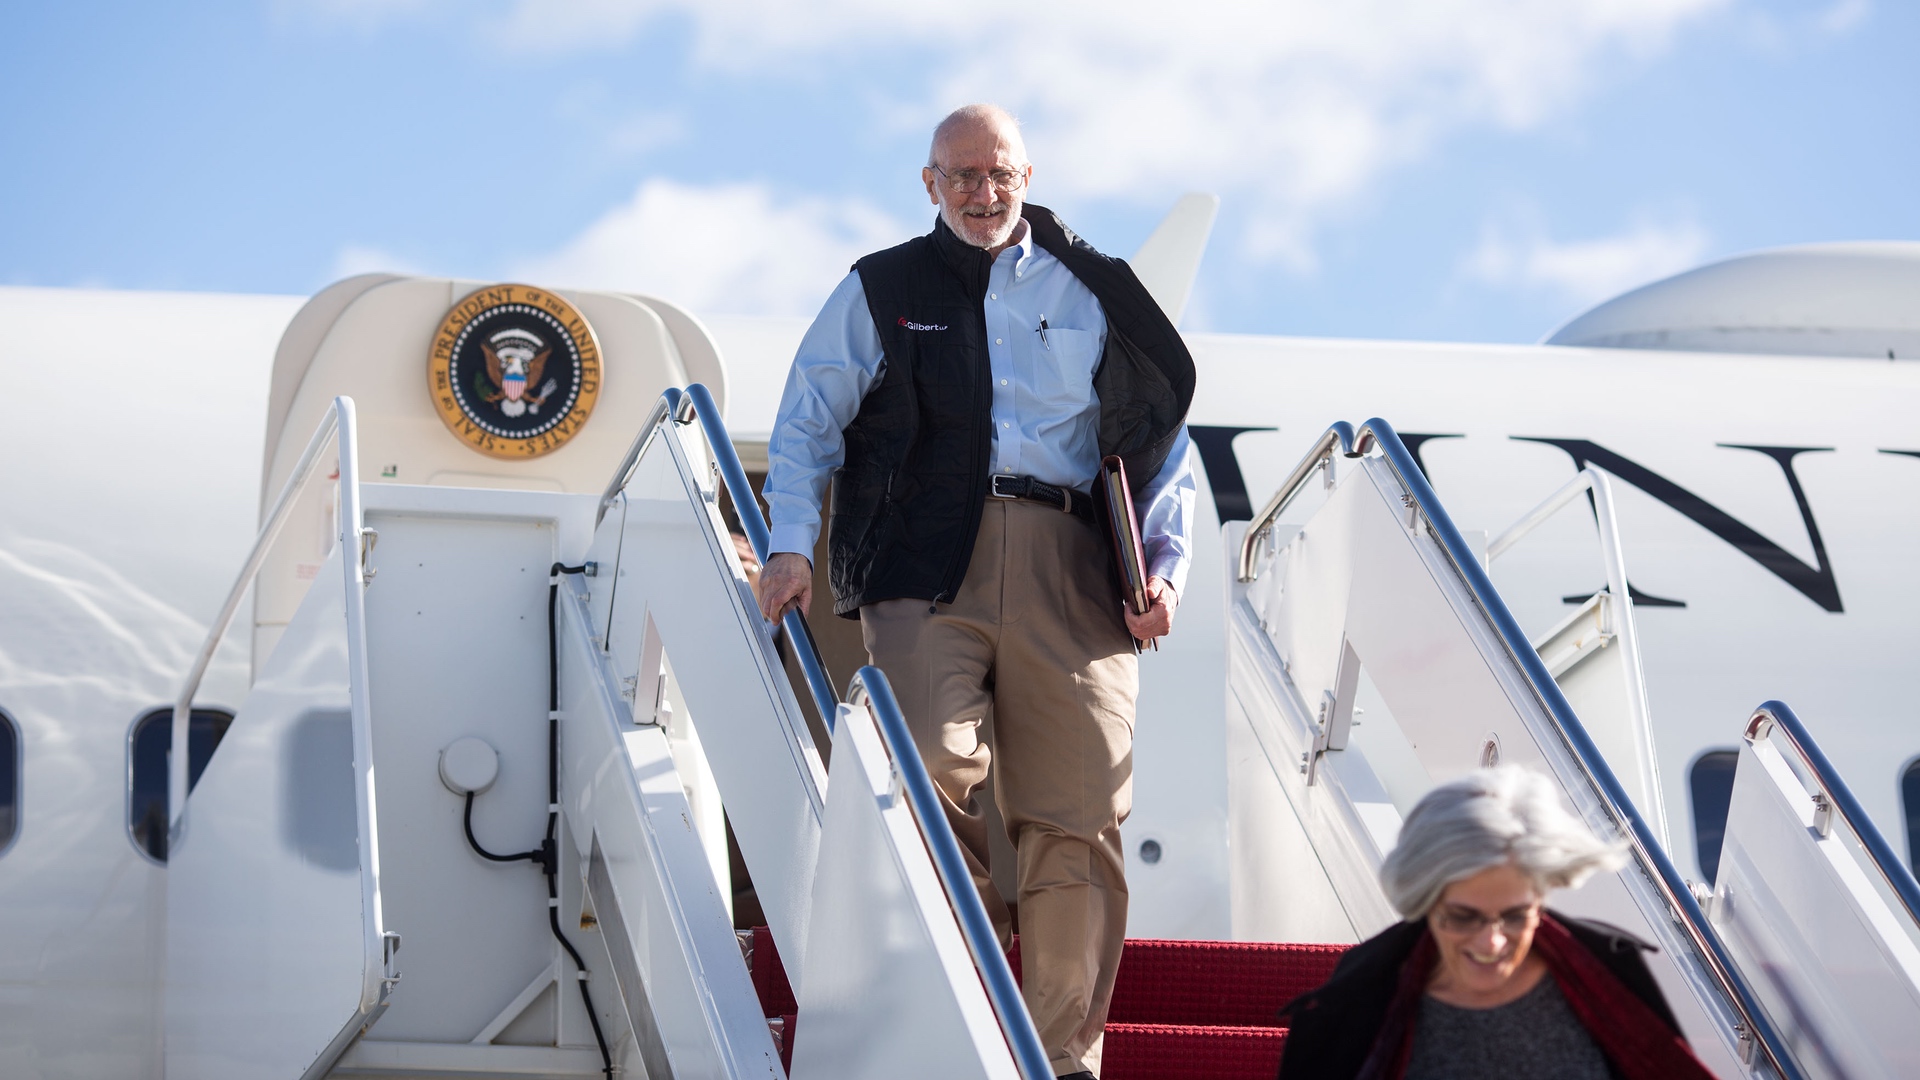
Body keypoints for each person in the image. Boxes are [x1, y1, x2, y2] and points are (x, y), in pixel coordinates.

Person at [756, 103, 1197, 1078]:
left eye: (997, 173)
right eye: (960, 175)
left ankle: (1059, 1057)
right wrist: (789, 544)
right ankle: (941, 1021)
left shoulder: (1098, 291)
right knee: (928, 777)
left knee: (1079, 813)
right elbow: (805, 424)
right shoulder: (882, 287)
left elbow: (1163, 449)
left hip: (1075, 569)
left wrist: (1163, 568)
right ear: (929, 185)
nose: (981, 192)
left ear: (1027, 175)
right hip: (924, 566)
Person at [1277, 766, 1715, 1080]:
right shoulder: (1356, 1000)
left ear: (1541, 898)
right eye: (1463, 917)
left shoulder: (1614, 976)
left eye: (1515, 916)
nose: (1491, 942)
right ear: (1425, 901)